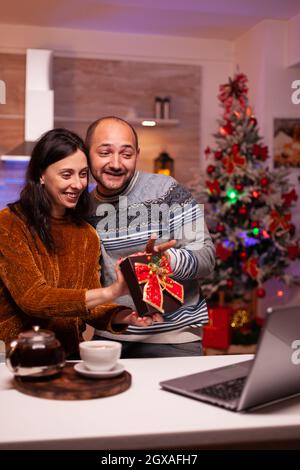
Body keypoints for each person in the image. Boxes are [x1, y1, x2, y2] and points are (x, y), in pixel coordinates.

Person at [0, 128, 159, 359]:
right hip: (17, 354)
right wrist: (112, 291)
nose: (77, 184)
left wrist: (125, 316)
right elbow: (34, 299)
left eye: (83, 174)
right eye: (67, 175)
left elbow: (89, 306)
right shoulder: (9, 224)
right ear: (41, 175)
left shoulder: (85, 234)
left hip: (69, 354)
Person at [85, 116, 216, 358]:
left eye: (126, 154)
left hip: (173, 339)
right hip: (111, 337)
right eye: (105, 153)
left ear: (137, 153)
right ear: (88, 153)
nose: (116, 163)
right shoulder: (83, 209)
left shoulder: (168, 189)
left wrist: (168, 260)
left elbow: (207, 257)